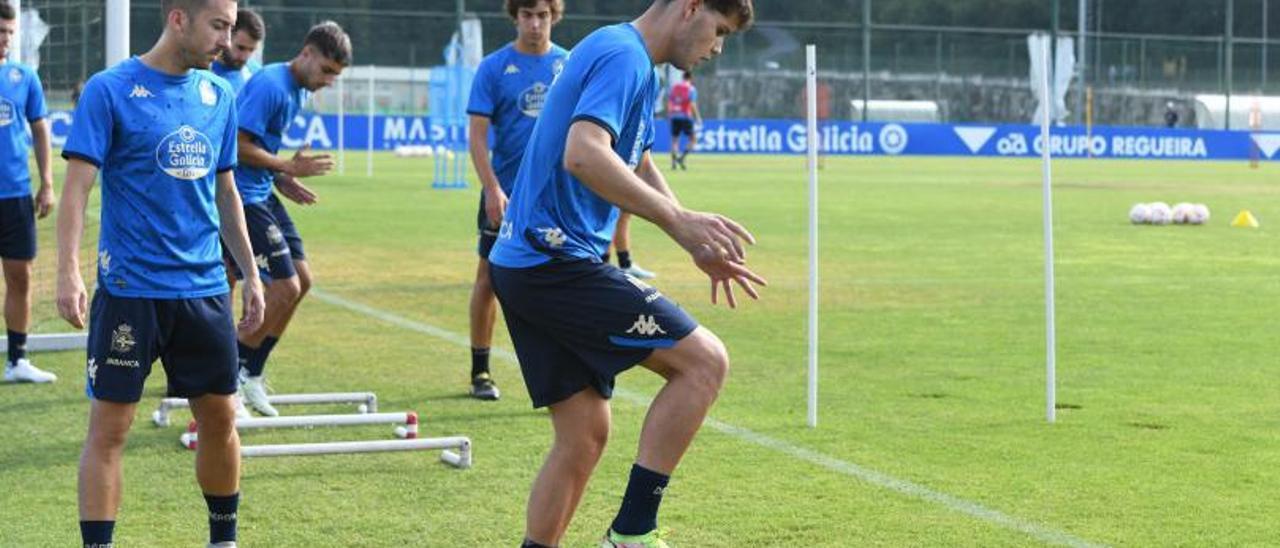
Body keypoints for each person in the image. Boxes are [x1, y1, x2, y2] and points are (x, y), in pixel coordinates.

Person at [486, 1, 761, 546]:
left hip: (526, 265)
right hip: (553, 263)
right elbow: (585, 155)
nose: (718, 47)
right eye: (720, 30)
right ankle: (633, 533)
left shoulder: (624, 52)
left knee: (584, 435)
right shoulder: (625, 57)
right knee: (704, 364)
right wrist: (680, 223)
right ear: (690, 8)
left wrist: (689, 234)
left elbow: (633, 158)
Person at [56, 1, 265, 546]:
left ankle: (224, 539)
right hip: (130, 291)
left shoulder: (219, 96)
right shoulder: (110, 89)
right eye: (218, 26)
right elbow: (77, 188)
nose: (227, 40)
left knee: (220, 419)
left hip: (204, 291)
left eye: (230, 27)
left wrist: (252, 273)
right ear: (178, 19)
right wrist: (68, 272)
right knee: (110, 429)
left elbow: (226, 193)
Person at [230, 21, 347, 416]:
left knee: (303, 282)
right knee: (284, 286)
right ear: (308, 53)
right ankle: (227, 374)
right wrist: (285, 165)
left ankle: (251, 374)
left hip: (263, 191)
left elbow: (259, 148)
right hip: (241, 199)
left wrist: (281, 177)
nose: (329, 81)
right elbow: (237, 146)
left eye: (336, 75)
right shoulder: (271, 86)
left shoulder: (295, 90)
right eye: (327, 71)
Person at [464, 0, 568, 401]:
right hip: (504, 194)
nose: (535, 24)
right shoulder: (493, 68)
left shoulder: (569, 64)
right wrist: (491, 188)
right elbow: (477, 137)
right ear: (515, 17)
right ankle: (480, 371)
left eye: (542, 15)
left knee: (561, 279)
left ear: (554, 16)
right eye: (527, 15)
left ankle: (561, 372)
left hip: (555, 198)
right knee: (488, 279)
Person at [0, 1, 57, 384]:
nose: (5, 40)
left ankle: (17, 359)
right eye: (0, 32)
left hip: (15, 194)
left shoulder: (24, 77)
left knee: (20, 276)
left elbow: (40, 130)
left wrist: (47, 183)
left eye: (9, 33)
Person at [210, 7, 263, 95]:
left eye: (251, 50)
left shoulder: (257, 74)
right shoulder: (201, 73)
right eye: (241, 48)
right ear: (227, 37)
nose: (245, 58)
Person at [667, 70, 700, 170]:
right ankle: (682, 158)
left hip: (674, 116)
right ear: (690, 78)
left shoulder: (674, 88)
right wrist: (697, 117)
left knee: (674, 140)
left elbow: (670, 102)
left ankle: (673, 163)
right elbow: (692, 104)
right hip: (685, 116)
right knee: (693, 139)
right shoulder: (691, 89)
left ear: (683, 77)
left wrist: (669, 115)